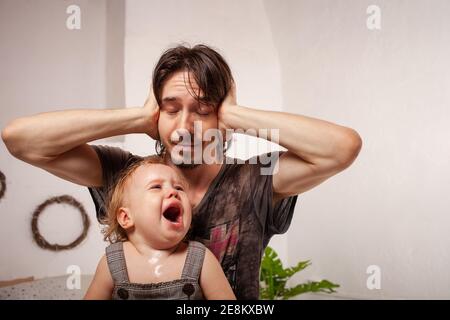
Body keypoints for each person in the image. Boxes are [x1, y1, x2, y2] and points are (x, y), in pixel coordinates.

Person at [1, 44, 362, 299]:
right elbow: (20, 140)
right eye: (170, 109)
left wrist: (235, 116)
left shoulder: (257, 179)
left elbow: (341, 148)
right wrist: (138, 118)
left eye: (202, 109)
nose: (185, 126)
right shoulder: (127, 176)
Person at [84, 156, 235, 300]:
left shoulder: (201, 259)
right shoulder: (113, 262)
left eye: (179, 188)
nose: (173, 192)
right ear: (126, 217)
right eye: (156, 187)